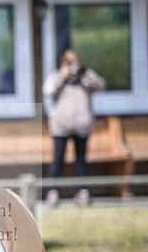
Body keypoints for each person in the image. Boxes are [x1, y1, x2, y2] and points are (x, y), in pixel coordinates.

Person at [43, 49, 106, 207]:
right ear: (63, 63)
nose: (73, 66)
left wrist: (86, 73)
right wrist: (62, 76)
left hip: (81, 126)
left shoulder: (85, 77)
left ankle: (82, 192)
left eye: (75, 62)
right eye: (69, 62)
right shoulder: (56, 76)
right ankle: (53, 192)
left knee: (81, 160)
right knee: (58, 159)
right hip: (61, 127)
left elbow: (101, 85)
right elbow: (48, 91)